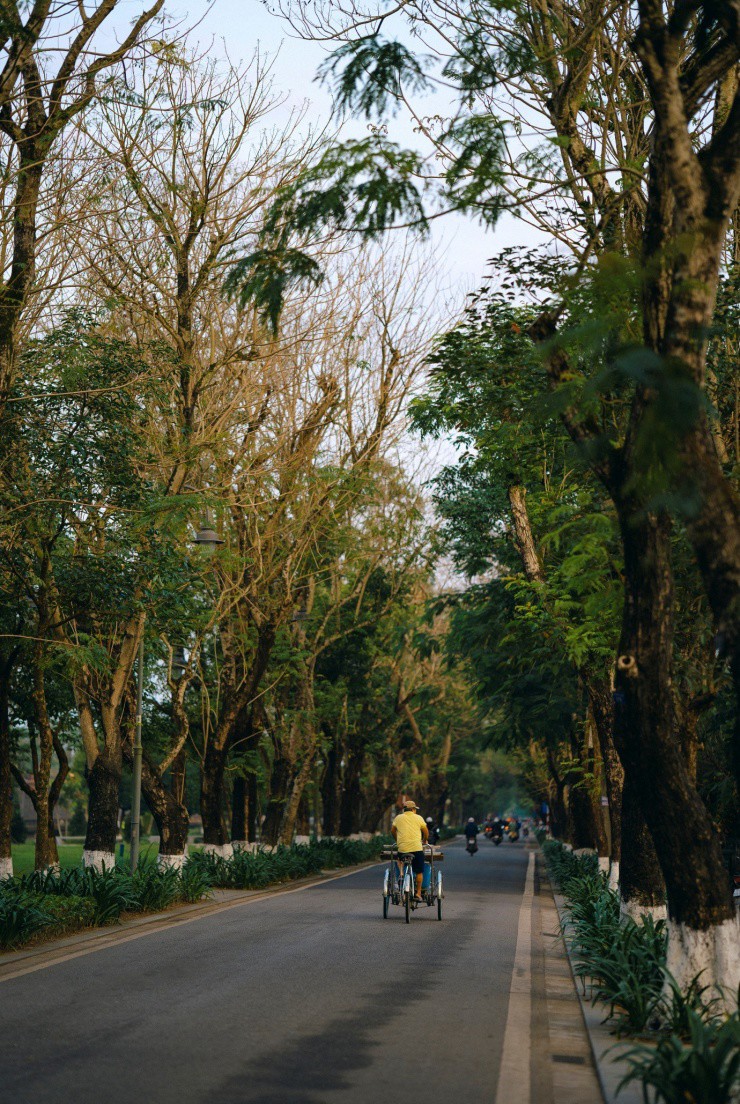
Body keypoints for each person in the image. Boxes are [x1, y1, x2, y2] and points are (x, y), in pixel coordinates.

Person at [392, 800, 429, 902]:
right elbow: (425, 831)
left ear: (404, 810)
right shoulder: (418, 818)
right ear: (413, 810)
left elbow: (393, 831)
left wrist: (398, 840)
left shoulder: (398, 818)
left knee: (399, 859)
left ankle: (401, 874)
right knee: (419, 871)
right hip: (417, 849)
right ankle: (418, 893)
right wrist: (425, 840)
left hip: (403, 849)